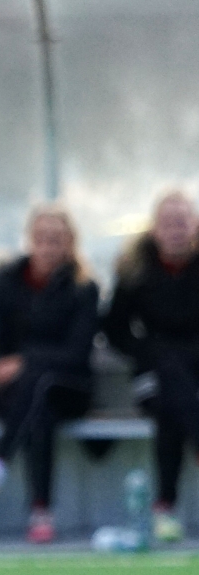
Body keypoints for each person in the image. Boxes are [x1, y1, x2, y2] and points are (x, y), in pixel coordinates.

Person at [0, 204, 99, 543]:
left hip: (70, 388)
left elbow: (76, 354)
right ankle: (40, 512)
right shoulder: (6, 282)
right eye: (41, 239)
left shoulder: (84, 288)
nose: (48, 247)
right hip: (16, 391)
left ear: (70, 242)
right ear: (29, 240)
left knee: (41, 383)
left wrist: (24, 361)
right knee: (39, 408)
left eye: (56, 240)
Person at [104, 188, 199, 544]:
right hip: (152, 373)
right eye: (168, 223)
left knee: (172, 400)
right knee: (167, 379)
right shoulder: (136, 271)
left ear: (195, 226)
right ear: (155, 229)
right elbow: (114, 329)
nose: (175, 230)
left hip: (193, 373)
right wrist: (147, 352)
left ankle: (165, 508)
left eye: (182, 222)